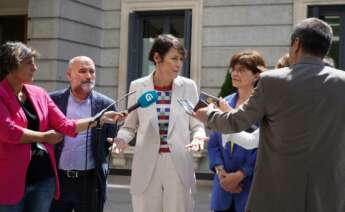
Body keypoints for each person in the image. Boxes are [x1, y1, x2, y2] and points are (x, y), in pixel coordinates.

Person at [194, 18, 345, 212]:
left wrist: (209, 114)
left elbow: (236, 122)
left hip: (279, 193)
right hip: (330, 193)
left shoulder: (272, 81)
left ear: (297, 44)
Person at [0, 42, 123, 212]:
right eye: (29, 63)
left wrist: (98, 120)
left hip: (43, 180)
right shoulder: (2, 94)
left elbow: (65, 125)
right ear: (11, 65)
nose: (35, 68)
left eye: (35, 62)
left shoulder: (39, 93)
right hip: (9, 182)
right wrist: (42, 137)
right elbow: (7, 131)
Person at [109, 34, 206, 212]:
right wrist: (121, 139)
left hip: (178, 164)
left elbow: (197, 124)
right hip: (146, 164)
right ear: (157, 57)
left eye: (181, 59)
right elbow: (129, 126)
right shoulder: (138, 86)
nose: (179, 64)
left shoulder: (188, 86)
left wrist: (199, 137)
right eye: (174, 58)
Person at [49, 56, 117, 212]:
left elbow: (108, 142)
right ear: (69, 75)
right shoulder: (53, 100)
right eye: (82, 71)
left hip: (90, 181)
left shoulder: (107, 105)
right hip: (57, 181)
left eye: (92, 71)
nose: (88, 76)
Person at [208, 50, 266, 212]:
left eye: (241, 70)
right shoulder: (223, 103)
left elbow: (262, 146)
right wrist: (221, 173)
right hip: (222, 187)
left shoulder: (263, 108)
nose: (234, 73)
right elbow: (213, 144)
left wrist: (240, 175)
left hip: (249, 186)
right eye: (233, 69)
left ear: (256, 76)